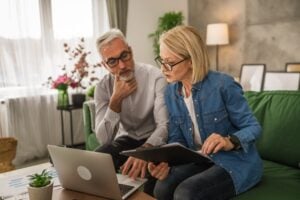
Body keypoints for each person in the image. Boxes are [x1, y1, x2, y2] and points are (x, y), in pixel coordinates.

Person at [148, 25, 263, 200]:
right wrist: (166, 162)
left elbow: (253, 127)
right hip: (201, 159)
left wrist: (228, 141)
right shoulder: (171, 93)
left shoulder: (223, 85)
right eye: (161, 60)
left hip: (235, 162)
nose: (163, 68)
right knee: (161, 189)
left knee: (186, 193)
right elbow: (176, 138)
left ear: (191, 61)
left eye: (170, 62)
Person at [94, 28, 168, 194]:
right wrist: (115, 100)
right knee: (99, 159)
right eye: (112, 61)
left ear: (131, 51)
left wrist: (144, 153)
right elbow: (103, 139)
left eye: (124, 56)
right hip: (126, 138)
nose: (122, 65)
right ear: (104, 65)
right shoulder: (102, 87)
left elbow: (164, 125)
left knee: (149, 183)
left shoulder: (156, 77)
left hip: (153, 139)